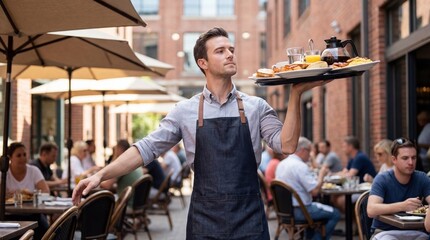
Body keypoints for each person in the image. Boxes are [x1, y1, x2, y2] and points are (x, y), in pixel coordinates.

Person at [73, 27, 326, 239]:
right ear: (202, 63)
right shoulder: (185, 111)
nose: (230, 54)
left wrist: (296, 94)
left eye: (231, 50)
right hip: (204, 221)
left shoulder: (256, 106)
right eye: (220, 51)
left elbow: (288, 145)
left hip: (249, 217)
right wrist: (101, 175)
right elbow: (145, 149)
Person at [275, 137, 340, 240]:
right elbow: (314, 192)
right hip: (301, 211)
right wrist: (321, 176)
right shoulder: (300, 166)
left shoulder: (281, 164)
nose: (310, 155)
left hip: (285, 212)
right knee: (335, 214)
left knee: (315, 212)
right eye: (309, 151)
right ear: (303, 150)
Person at [367, 138, 430, 239]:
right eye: (405, 158)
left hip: (415, 232)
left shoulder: (422, 178)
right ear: (394, 160)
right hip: (385, 232)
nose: (410, 162)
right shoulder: (383, 178)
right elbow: (371, 210)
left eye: (413, 158)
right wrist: (403, 206)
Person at [1, 142, 50, 240]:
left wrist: (30, 195)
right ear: (10, 158)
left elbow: (46, 193)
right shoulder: (3, 173)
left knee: (47, 233)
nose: (23, 158)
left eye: (24, 155)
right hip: (9, 216)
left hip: (33, 215)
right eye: (19, 155)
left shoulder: (34, 170)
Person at [333, 136, 377, 212]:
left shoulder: (360, 157)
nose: (343, 149)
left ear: (350, 147)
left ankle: (355, 220)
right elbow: (344, 172)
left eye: (344, 146)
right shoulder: (352, 158)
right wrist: (332, 175)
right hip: (356, 189)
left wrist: (337, 175)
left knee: (341, 200)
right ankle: (353, 219)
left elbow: (350, 175)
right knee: (334, 197)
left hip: (366, 191)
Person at [100, 139, 143, 206]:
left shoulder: (123, 164)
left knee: (98, 204)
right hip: (137, 202)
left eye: (116, 148)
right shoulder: (133, 161)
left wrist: (115, 158)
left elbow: (106, 185)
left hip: (126, 204)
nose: (114, 150)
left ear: (119, 149)